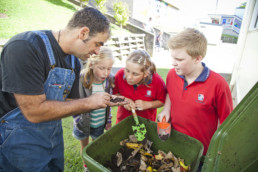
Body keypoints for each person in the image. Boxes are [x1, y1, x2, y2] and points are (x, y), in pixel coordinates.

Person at [0, 7, 126, 171]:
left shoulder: (73, 61)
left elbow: (70, 102)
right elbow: (34, 112)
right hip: (19, 138)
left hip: (52, 134)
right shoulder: (26, 47)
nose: (97, 51)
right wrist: (89, 102)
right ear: (83, 33)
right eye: (97, 44)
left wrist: (112, 100)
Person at [157, 28, 233, 171]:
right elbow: (170, 94)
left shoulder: (219, 85)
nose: (173, 63)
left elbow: (227, 124)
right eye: (172, 57)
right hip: (173, 143)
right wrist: (166, 109)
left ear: (198, 58)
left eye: (179, 59)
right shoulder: (172, 75)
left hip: (200, 153)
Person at [72, 46, 115, 171]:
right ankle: (86, 166)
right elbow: (75, 103)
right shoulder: (82, 79)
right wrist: (78, 120)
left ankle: (94, 165)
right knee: (85, 148)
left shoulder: (108, 81)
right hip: (83, 123)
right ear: (91, 64)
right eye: (102, 68)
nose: (105, 73)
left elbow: (108, 103)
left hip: (100, 123)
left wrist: (108, 120)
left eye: (109, 68)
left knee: (97, 148)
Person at [113, 49, 167, 123]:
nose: (129, 77)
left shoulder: (157, 81)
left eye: (135, 74)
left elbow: (162, 101)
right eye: (127, 70)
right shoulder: (119, 75)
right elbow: (113, 94)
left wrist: (148, 104)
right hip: (123, 122)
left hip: (146, 123)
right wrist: (123, 100)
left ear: (145, 74)